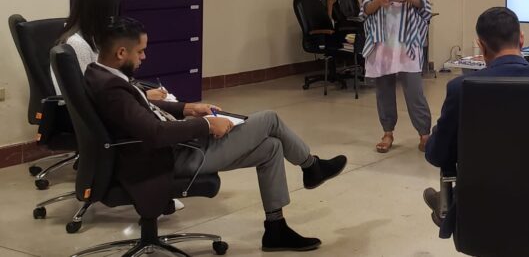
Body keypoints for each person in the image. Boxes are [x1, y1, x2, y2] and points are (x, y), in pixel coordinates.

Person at [84, 17, 348, 252]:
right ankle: (311, 166)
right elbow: (154, 133)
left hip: (173, 149)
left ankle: (275, 229)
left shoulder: (101, 74)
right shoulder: (112, 89)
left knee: (271, 148)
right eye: (140, 51)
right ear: (121, 52)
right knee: (269, 119)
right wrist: (207, 125)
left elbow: (145, 108)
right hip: (171, 158)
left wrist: (188, 108)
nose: (144, 57)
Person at [422, 7, 529, 238]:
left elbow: (437, 155)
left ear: (481, 46)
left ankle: (450, 205)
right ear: (521, 39)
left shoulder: (461, 89)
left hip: (483, 214)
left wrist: (438, 132)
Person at [359, 0, 433, 153]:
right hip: (381, 40)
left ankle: (425, 134)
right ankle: (387, 132)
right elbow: (364, 9)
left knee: (414, 90)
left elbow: (425, 4)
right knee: (383, 90)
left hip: (407, 40)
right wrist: (378, 2)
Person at [53, 0, 169, 101]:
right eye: (110, 14)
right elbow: (90, 96)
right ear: (98, 13)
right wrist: (143, 96)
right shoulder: (76, 44)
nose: (113, 19)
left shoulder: (91, 37)